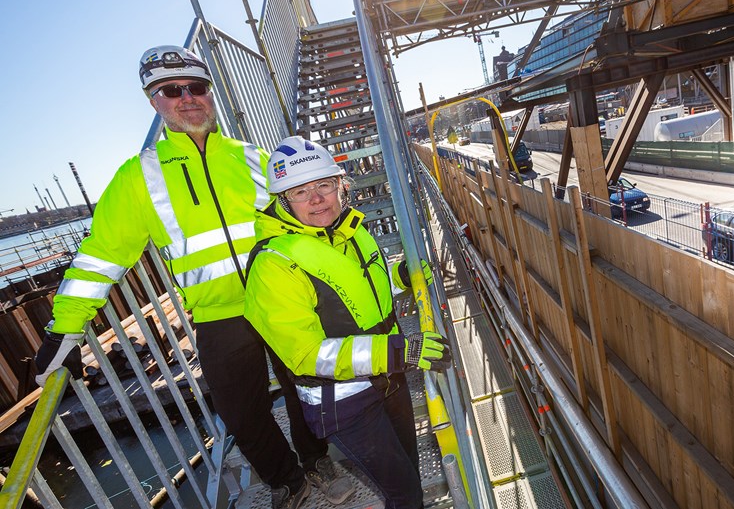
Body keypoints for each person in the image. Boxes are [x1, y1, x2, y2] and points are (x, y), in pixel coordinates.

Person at [32, 46, 353, 509]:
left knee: (309, 385)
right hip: (218, 316)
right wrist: (65, 328)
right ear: (153, 102)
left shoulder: (255, 159)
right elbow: (101, 258)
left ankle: (317, 459)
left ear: (211, 93)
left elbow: (308, 216)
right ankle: (287, 479)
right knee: (242, 413)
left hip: (283, 300)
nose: (186, 98)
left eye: (196, 87)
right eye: (170, 90)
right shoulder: (137, 178)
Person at [243, 136, 451, 509]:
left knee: (409, 477)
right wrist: (400, 350)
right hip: (344, 402)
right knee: (405, 491)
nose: (317, 198)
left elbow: (358, 288)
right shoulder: (273, 265)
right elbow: (307, 355)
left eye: (324, 185)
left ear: (341, 186)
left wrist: (404, 276)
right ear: (282, 201)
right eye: (300, 192)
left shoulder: (349, 232)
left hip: (390, 379)